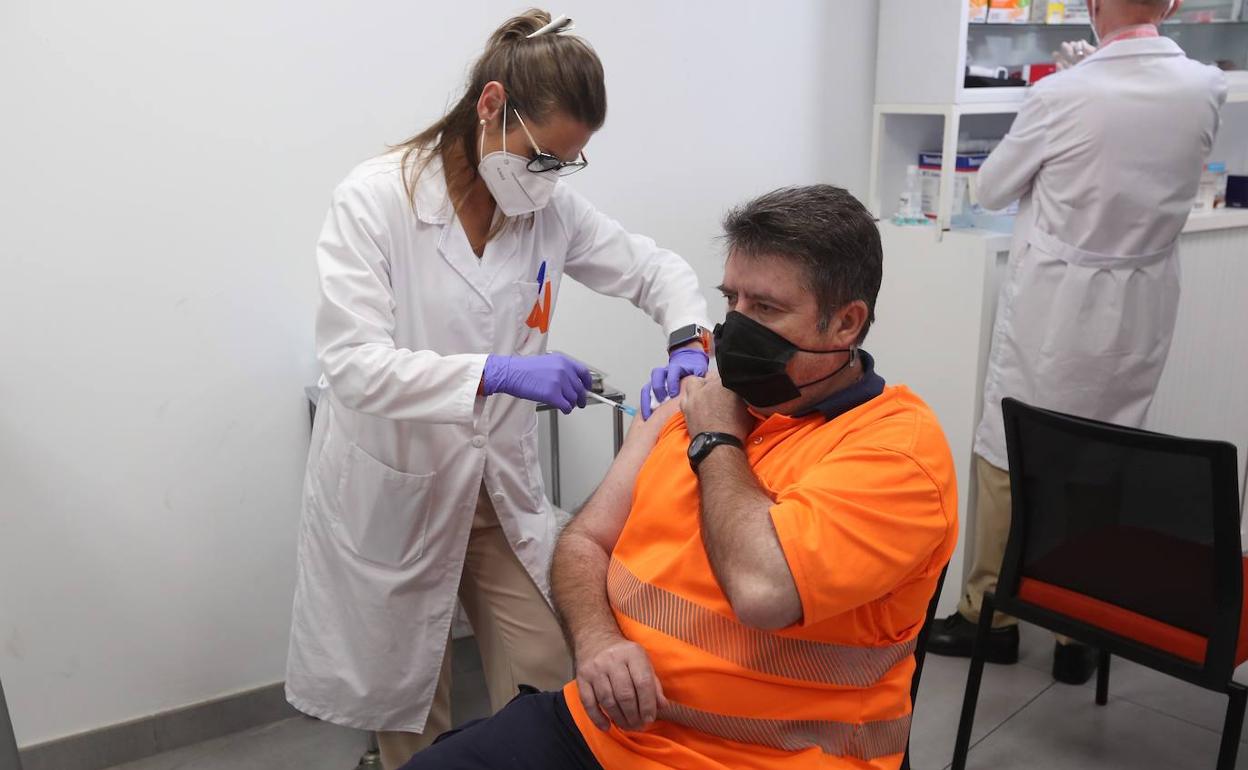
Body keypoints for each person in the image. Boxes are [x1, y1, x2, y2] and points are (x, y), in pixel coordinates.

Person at [394, 184, 958, 770]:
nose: (734, 328)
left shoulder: (895, 452)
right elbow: (584, 541)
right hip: (607, 731)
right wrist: (597, 643)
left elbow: (764, 591)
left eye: (764, 308)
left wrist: (718, 437)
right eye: (730, 300)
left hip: (762, 758)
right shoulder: (693, 407)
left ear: (845, 323)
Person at [284, 11, 712, 769]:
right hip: (398, 488)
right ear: (490, 107)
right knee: (410, 710)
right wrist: (496, 372)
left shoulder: (543, 208)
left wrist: (688, 339)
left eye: (567, 163)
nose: (548, 177)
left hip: (495, 487)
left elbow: (654, 270)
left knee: (545, 672)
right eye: (542, 156)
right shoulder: (376, 201)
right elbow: (352, 363)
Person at [927, 0, 1228, 684]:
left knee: (1008, 456)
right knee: (1105, 458)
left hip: (1056, 308)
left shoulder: (1060, 93)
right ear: (1174, 4)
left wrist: (1062, 111)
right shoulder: (1206, 86)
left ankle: (988, 619)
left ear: (1092, 4)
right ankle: (1081, 634)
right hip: (1142, 304)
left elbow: (995, 186)